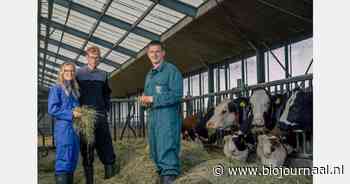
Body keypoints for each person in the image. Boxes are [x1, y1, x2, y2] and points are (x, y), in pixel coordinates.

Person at [140, 40, 183, 184]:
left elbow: (177, 95)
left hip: (167, 119)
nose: (154, 54)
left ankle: (169, 177)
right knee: (155, 150)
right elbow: (148, 97)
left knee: (167, 148)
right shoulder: (149, 75)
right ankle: (161, 175)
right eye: (151, 52)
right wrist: (144, 102)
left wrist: (152, 98)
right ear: (148, 54)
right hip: (153, 119)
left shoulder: (171, 71)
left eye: (157, 51)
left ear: (163, 53)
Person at [76, 46, 117, 184]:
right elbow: (73, 93)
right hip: (85, 117)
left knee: (106, 143)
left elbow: (107, 93)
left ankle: (110, 177)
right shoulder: (78, 73)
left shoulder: (103, 75)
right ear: (87, 57)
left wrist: (106, 108)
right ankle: (89, 180)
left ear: (100, 59)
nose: (94, 60)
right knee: (87, 145)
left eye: (97, 57)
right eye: (92, 57)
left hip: (100, 115)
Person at [48, 62, 82, 184]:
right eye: (67, 70)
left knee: (73, 158)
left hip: (75, 129)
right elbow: (52, 109)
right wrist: (71, 114)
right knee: (64, 159)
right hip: (64, 130)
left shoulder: (74, 90)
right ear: (62, 72)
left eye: (72, 71)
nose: (70, 73)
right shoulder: (56, 88)